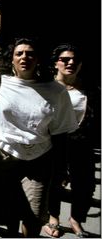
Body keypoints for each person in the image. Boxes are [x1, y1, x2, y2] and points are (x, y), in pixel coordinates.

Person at [0, 38, 77, 237]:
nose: (24, 57)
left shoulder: (56, 91)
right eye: (19, 53)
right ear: (10, 59)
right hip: (2, 157)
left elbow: (61, 134)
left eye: (30, 54)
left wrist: (62, 169)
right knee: (9, 210)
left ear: (38, 59)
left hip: (39, 160)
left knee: (33, 215)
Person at [43, 44, 96, 238]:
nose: (71, 63)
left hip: (81, 143)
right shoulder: (47, 87)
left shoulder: (90, 89)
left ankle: (75, 219)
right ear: (56, 63)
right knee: (54, 181)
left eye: (75, 60)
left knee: (85, 184)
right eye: (65, 60)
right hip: (54, 142)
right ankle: (53, 218)